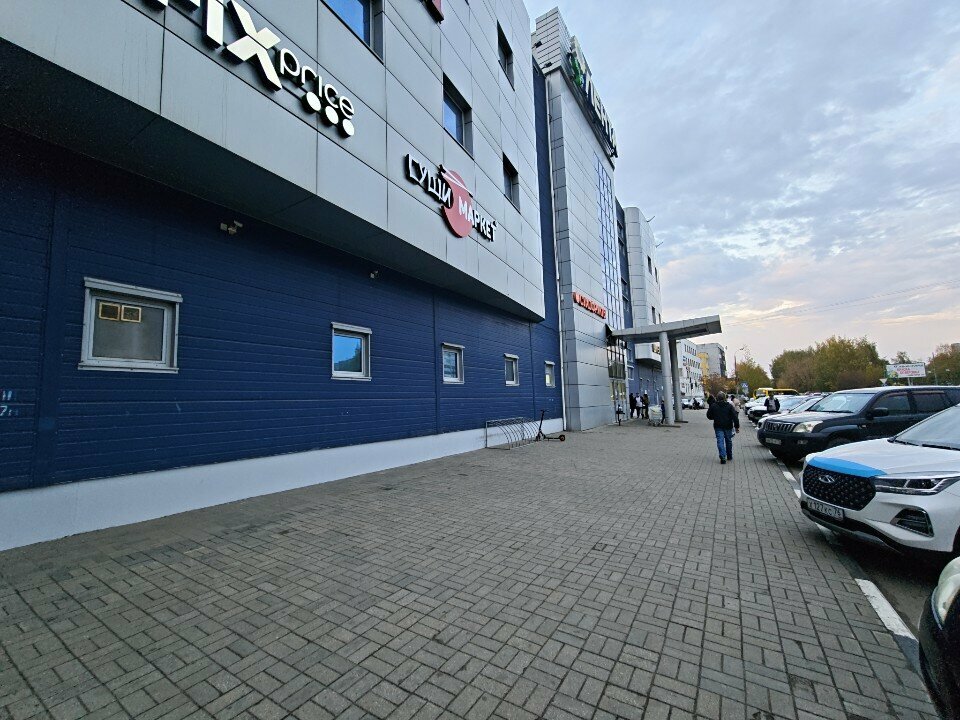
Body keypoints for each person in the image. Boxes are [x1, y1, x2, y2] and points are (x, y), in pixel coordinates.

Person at [706, 391, 740, 464]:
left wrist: (714, 417)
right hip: (728, 426)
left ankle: (723, 456)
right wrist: (737, 427)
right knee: (728, 441)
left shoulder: (713, 405)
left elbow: (709, 415)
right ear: (725, 398)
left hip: (718, 426)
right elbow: (735, 417)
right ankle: (729, 456)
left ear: (717, 398)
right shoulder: (729, 406)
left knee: (720, 441)